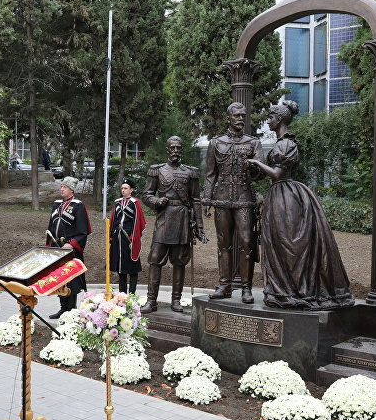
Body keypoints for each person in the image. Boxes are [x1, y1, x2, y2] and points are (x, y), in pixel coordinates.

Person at [246, 101, 355, 310]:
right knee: (279, 243)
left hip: (285, 196)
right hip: (280, 195)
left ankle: (293, 289)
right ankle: (284, 289)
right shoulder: (281, 143)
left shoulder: (285, 145)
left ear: (279, 119)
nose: (268, 120)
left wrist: (256, 162)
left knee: (288, 243)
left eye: (270, 117)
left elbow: (277, 173)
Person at [202, 102, 264, 304]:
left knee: (247, 243)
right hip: (221, 199)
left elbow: (260, 174)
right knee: (223, 244)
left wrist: (253, 167)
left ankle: (246, 287)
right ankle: (224, 285)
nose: (240, 119)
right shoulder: (216, 143)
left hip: (244, 199)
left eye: (243, 115)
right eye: (236, 116)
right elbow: (210, 174)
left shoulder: (254, 143)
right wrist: (207, 199)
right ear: (228, 118)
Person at [141, 136, 205, 313]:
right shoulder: (157, 171)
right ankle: (151, 300)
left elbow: (196, 200)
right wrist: (156, 201)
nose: (176, 151)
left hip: (182, 221)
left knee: (180, 261)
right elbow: (146, 195)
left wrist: (199, 227)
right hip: (164, 219)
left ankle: (176, 300)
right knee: (155, 259)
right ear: (167, 149)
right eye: (173, 148)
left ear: (182, 149)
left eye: (178, 148)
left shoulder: (190, 172)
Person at [46, 176, 91, 318]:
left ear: (71, 190)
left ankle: (71, 311)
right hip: (57, 248)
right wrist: (49, 245)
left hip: (71, 249)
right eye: (61, 186)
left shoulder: (78, 205)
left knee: (71, 280)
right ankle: (62, 308)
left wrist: (71, 244)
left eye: (64, 187)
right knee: (59, 279)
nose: (61, 189)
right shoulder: (57, 204)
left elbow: (83, 231)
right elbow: (50, 226)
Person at [109, 179, 146, 295]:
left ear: (131, 190)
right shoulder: (118, 203)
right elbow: (113, 220)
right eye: (122, 188)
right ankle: (122, 294)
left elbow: (138, 222)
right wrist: (112, 237)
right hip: (118, 238)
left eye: (125, 188)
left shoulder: (135, 203)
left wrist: (133, 240)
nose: (123, 190)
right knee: (121, 269)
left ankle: (132, 294)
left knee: (132, 268)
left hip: (129, 238)